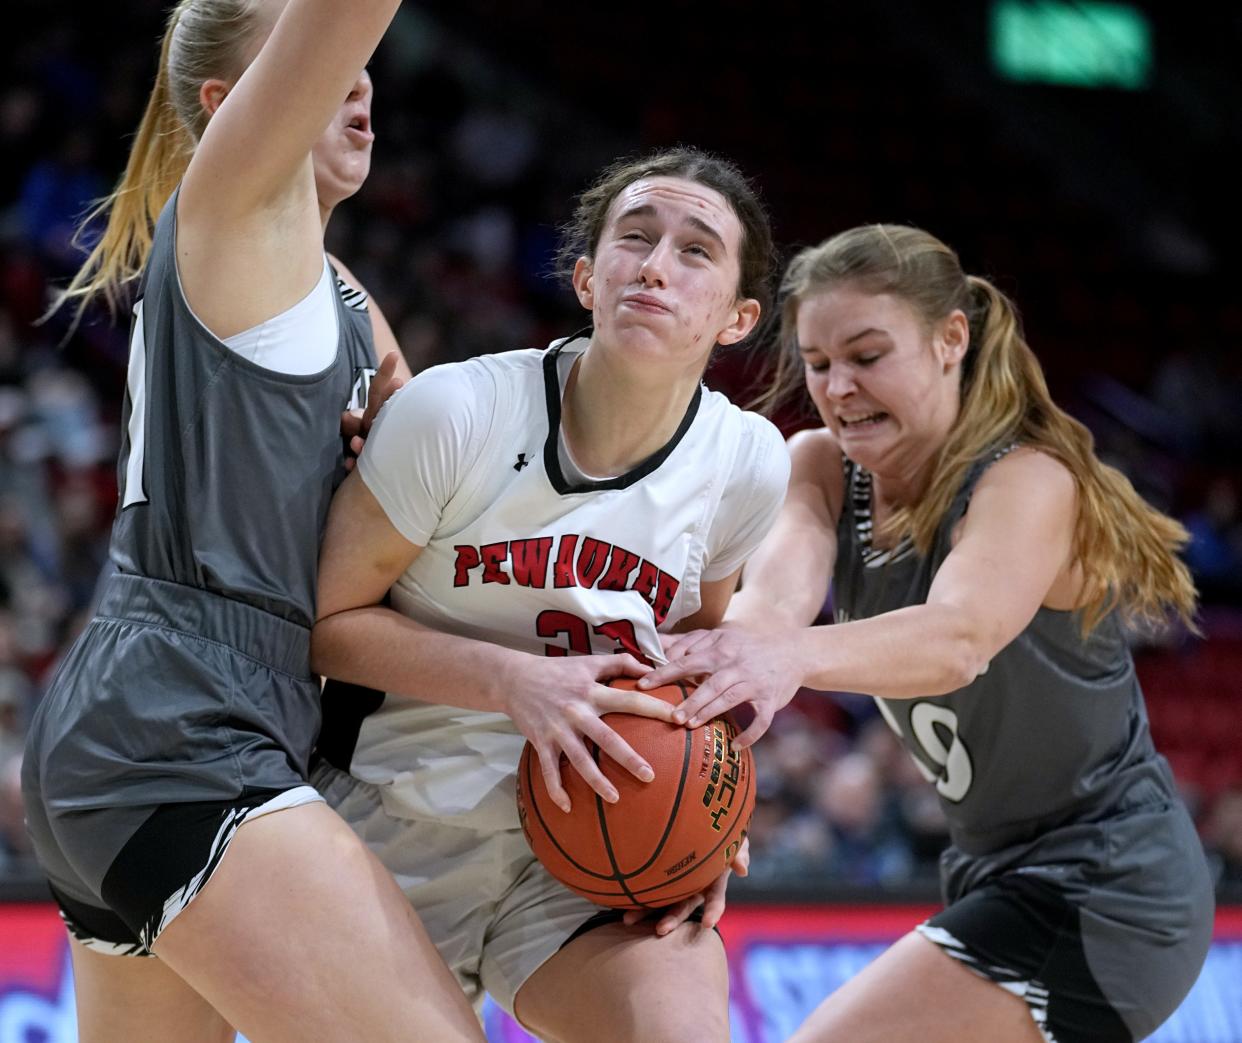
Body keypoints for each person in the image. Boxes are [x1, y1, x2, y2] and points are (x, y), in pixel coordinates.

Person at [21, 2, 484, 1040]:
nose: (361, 78)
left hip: (190, 716)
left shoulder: (346, 299)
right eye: (331, 63)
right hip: (180, 720)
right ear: (232, 111)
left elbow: (438, 535)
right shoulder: (232, 202)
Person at [640, 224, 1214, 1043]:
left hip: (1108, 879)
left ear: (951, 339)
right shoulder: (821, 466)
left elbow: (957, 639)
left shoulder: (1027, 479)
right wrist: (701, 799)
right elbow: (767, 616)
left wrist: (782, 656)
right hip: (992, 870)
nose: (838, 387)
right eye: (819, 361)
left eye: (868, 356)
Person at [308, 146, 791, 1041]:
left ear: (738, 316)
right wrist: (513, 682)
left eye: (696, 251)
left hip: (585, 850)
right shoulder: (456, 414)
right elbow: (325, 627)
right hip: (389, 821)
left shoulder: (748, 463)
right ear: (585, 276)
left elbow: (688, 671)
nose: (655, 264)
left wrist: (711, 821)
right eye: (634, 238)